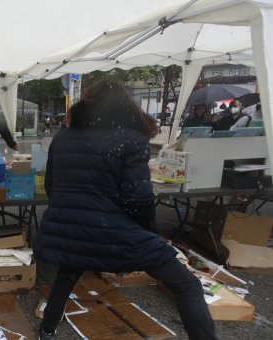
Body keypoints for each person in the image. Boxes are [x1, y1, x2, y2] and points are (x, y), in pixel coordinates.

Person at [36, 81, 216, 340]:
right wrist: (150, 233)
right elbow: (139, 199)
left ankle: (47, 330)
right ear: (126, 105)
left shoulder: (63, 136)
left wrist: (75, 212)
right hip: (114, 234)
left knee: (69, 270)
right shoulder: (131, 139)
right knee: (187, 285)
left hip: (70, 228)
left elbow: (52, 186)